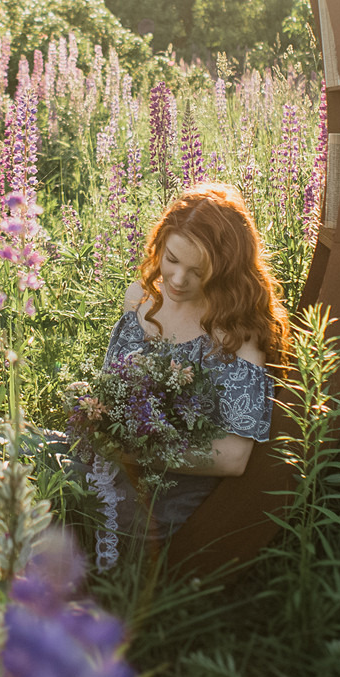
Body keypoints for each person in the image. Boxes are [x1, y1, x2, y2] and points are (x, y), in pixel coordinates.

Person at [101, 182, 290, 542]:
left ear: (225, 269)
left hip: (172, 494)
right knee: (7, 451)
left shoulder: (238, 333)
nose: (177, 279)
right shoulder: (140, 298)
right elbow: (112, 388)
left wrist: (138, 452)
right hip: (114, 466)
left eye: (198, 271)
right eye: (171, 259)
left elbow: (234, 457)